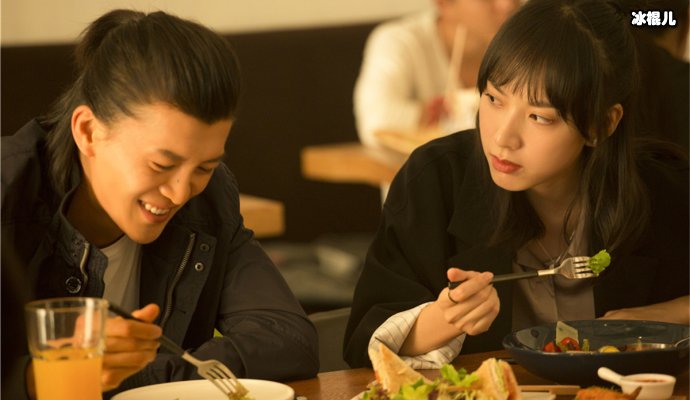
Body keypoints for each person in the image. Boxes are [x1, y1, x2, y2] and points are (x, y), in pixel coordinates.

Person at [344, 0, 689, 369]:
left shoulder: (664, 191)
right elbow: (365, 343)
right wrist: (446, 318)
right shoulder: (434, 181)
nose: (502, 138)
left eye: (539, 117)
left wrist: (674, 312)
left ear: (601, 125)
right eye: (494, 99)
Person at [1, 9, 319, 399]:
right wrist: (47, 378)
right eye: (161, 165)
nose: (181, 193)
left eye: (204, 167)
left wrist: (132, 377)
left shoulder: (210, 201)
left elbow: (287, 338)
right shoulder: (8, 198)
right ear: (88, 132)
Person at [353, 0, 520, 149]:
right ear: (443, 3)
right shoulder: (400, 40)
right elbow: (375, 122)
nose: (508, 4)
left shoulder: (525, 46)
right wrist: (436, 113)